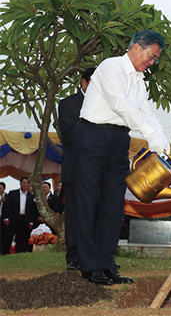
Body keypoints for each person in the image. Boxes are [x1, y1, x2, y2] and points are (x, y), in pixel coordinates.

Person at [73, 29, 170, 285]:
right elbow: (121, 105)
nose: (152, 62)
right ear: (136, 47)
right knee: (88, 202)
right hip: (92, 136)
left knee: (113, 204)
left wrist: (160, 139)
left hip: (119, 140)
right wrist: (149, 133)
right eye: (151, 56)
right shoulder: (110, 67)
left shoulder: (139, 80)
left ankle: (107, 265)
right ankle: (89, 265)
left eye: (155, 60)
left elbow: (145, 111)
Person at [58, 67, 95, 271]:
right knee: (73, 214)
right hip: (75, 169)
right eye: (94, 83)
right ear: (84, 83)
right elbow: (68, 135)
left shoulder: (107, 104)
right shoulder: (68, 104)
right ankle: (73, 256)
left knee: (96, 214)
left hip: (99, 170)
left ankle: (94, 256)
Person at [2, 177, 38, 253]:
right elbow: (6, 206)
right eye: (24, 183)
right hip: (12, 218)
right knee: (9, 236)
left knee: (21, 237)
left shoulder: (30, 196)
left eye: (27, 183)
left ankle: (19, 252)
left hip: (24, 219)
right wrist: (6, 218)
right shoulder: (12, 193)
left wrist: (31, 221)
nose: (25, 185)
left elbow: (32, 210)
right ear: (20, 183)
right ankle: (5, 252)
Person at [0, 182, 6, 255]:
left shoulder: (8, 196)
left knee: (4, 235)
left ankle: (4, 250)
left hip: (4, 219)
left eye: (0, 188)